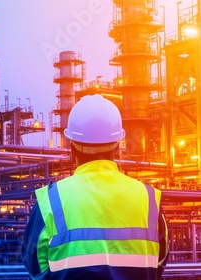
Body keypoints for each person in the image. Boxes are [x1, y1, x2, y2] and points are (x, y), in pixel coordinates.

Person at [22, 94, 169, 279]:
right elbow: (160, 262)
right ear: (117, 148)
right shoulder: (149, 199)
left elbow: (34, 266)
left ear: (72, 148)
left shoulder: (51, 200)